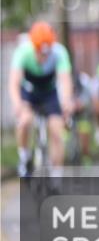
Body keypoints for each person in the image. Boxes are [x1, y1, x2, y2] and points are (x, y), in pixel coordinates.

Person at [8, 21, 73, 180]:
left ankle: (56, 176)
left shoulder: (59, 52)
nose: (43, 57)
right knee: (25, 121)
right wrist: (17, 104)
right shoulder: (23, 52)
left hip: (49, 92)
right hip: (29, 91)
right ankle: (24, 157)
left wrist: (66, 102)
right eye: (40, 52)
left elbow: (65, 81)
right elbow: (14, 82)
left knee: (57, 131)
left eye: (46, 52)